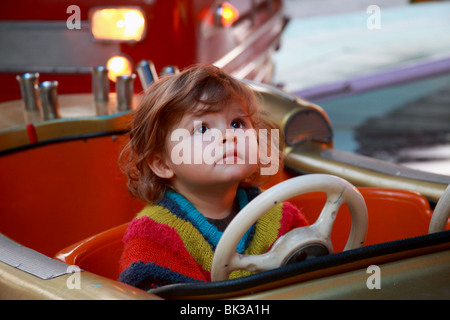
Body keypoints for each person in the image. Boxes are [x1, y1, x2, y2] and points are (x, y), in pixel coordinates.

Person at [118, 64, 308, 290]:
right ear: (162, 164)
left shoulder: (280, 215)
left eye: (237, 123)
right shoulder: (153, 235)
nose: (228, 136)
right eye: (202, 129)